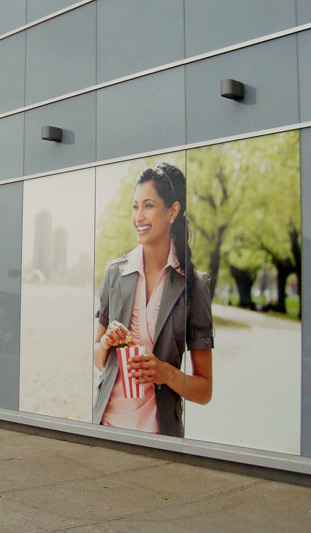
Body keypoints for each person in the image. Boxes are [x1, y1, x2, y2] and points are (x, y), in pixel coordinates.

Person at [93, 163, 213, 437]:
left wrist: (164, 373)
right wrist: (106, 342)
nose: (138, 216)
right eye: (135, 207)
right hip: (106, 429)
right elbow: (99, 361)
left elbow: (205, 391)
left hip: (160, 440)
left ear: (173, 211)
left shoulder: (194, 285)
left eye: (148, 205)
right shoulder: (115, 272)